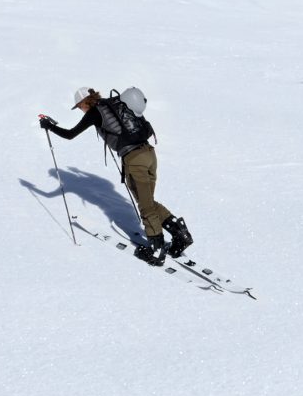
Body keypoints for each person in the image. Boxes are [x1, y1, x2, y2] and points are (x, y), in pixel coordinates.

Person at [41, 87, 192, 264]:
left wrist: (49, 126)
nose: (81, 110)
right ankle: (179, 233)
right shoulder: (116, 104)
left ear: (84, 102)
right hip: (149, 154)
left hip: (134, 159)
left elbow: (70, 134)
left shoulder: (94, 112)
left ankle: (156, 249)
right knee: (148, 201)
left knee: (146, 206)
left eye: (79, 107)